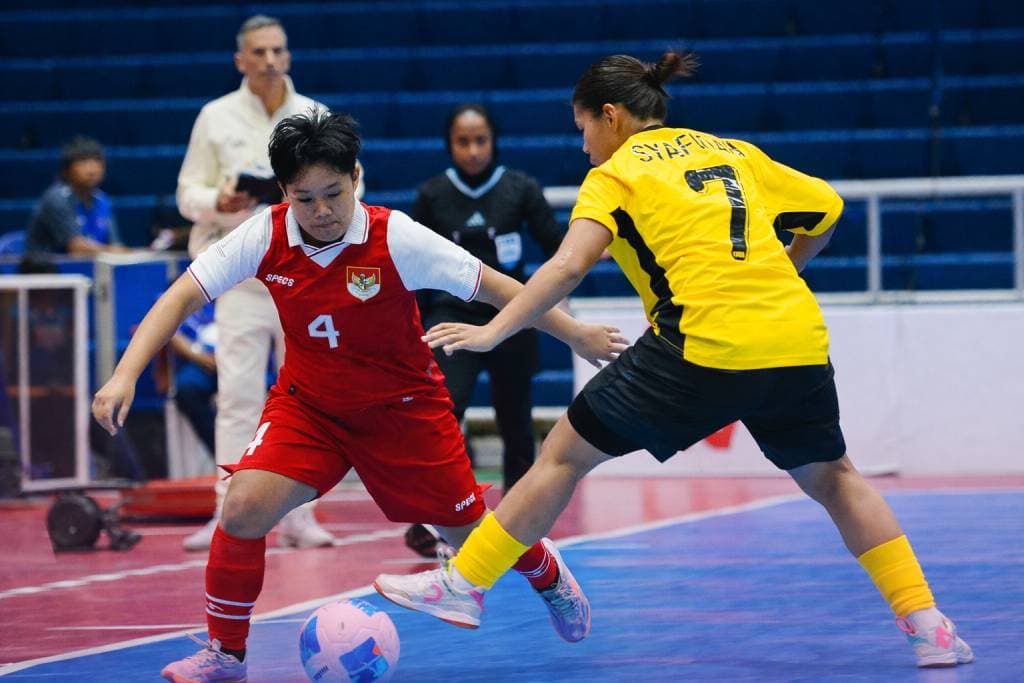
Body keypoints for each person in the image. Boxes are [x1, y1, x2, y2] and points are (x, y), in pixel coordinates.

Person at [373, 52, 974, 670]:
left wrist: (494, 331)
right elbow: (828, 210)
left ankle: (465, 583)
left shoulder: (615, 175)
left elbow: (568, 265)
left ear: (610, 116)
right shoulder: (734, 152)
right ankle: (928, 626)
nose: (583, 146)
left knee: (563, 454)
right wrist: (788, 267)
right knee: (836, 479)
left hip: (699, 344)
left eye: (583, 128)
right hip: (794, 338)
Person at [92, 110, 626, 682]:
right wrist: (124, 374)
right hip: (310, 408)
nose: (321, 211)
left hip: (404, 412)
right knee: (242, 508)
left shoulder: (395, 236)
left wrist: (576, 334)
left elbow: (498, 288)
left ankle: (546, 570)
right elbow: (180, 296)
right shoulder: (264, 233)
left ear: (356, 177)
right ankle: (226, 656)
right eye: (305, 198)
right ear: (283, 191)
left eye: (333, 193)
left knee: (468, 536)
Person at [175, 14, 361, 551]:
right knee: (236, 395)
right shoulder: (214, 117)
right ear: (241, 60)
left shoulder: (315, 115)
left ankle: (300, 515)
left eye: (277, 50)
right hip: (242, 276)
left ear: (289, 55)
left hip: (306, 277)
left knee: (312, 396)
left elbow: (355, 183)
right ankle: (226, 510)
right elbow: (187, 193)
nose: (270, 60)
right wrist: (219, 200)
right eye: (258, 52)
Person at [404, 104, 564, 558]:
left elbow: (557, 248)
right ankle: (434, 517)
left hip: (511, 315)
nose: (473, 150)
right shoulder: (433, 194)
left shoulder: (520, 187)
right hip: (451, 317)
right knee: (442, 415)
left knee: (516, 422)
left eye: (481, 140)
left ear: (493, 141)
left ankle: (521, 523)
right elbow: (413, 265)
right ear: (449, 144)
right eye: (463, 141)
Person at [25, 136, 132, 257]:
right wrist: (115, 251)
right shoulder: (56, 199)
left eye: (97, 161)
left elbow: (115, 244)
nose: (92, 170)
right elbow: (77, 249)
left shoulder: (103, 200)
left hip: (94, 266)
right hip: (49, 267)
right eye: (82, 162)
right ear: (66, 170)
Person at [168, 304, 218, 454]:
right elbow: (173, 334)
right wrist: (201, 358)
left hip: (239, 359)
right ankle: (222, 453)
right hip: (199, 363)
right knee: (186, 388)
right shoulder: (170, 297)